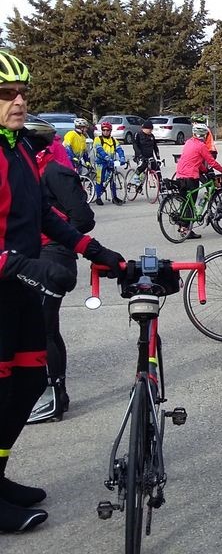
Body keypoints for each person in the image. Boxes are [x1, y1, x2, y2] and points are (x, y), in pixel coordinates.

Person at [0, 50, 124, 533]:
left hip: (17, 289)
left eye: (23, 92)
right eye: (6, 93)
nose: (19, 101)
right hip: (8, 282)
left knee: (32, 381)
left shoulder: (19, 149)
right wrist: (26, 266)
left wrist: (97, 251)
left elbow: (43, 215)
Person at [22, 121, 94, 424]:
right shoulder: (26, 170)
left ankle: (54, 396)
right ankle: (50, 394)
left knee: (44, 328)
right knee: (37, 327)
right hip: (33, 256)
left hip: (54, 257)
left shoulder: (54, 171)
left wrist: (59, 239)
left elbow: (83, 218)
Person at [174, 124, 222, 240]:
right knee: (190, 204)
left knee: (185, 202)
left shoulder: (188, 142)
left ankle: (182, 226)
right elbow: (211, 162)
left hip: (180, 175)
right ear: (204, 135)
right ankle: (186, 229)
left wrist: (205, 170)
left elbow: (194, 160)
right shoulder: (201, 146)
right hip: (191, 176)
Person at [91, 120, 127, 206]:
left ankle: (114, 197)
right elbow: (99, 150)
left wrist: (122, 157)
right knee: (100, 179)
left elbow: (119, 149)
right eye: (104, 130)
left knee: (113, 180)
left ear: (110, 131)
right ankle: (98, 197)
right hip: (101, 162)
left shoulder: (113, 140)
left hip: (111, 162)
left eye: (107, 130)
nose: (105, 132)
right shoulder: (98, 139)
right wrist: (106, 157)